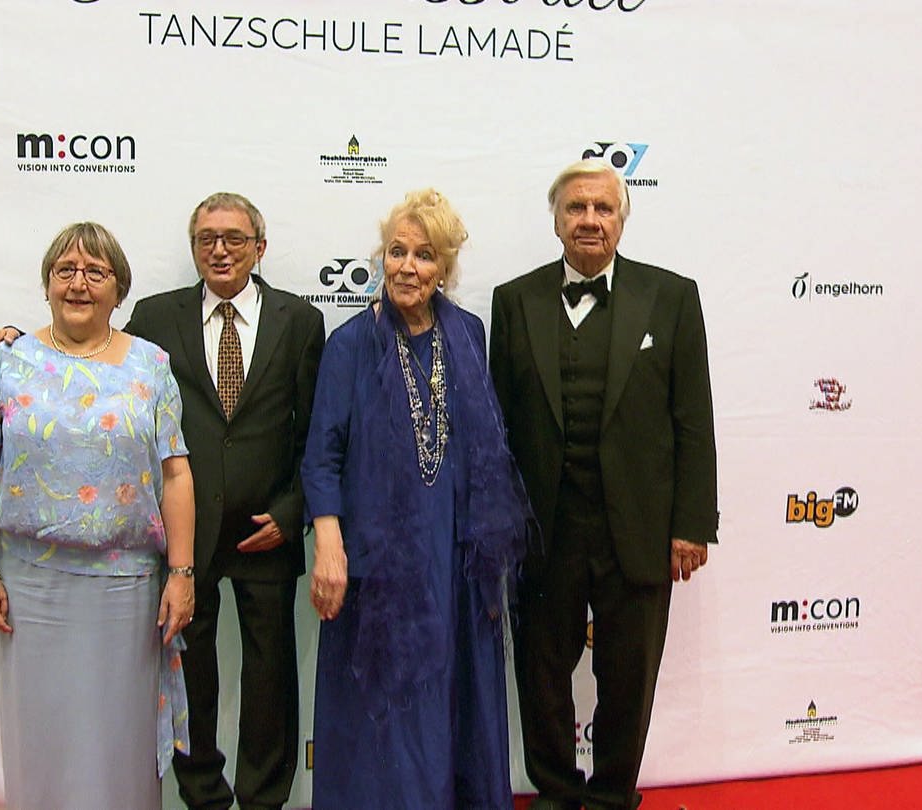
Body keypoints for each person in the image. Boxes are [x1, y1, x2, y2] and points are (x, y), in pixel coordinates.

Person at [0, 193, 325, 810]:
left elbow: (315, 427)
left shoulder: (300, 319)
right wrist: (9, 337)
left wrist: (293, 512)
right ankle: (203, 798)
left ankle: (266, 799)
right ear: (193, 248)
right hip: (183, 534)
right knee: (194, 677)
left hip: (265, 531)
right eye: (207, 238)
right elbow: (86, 356)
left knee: (271, 679)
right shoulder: (157, 319)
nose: (220, 250)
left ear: (259, 248)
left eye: (234, 239)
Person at [489, 159, 718, 810]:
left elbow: (692, 420)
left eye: (603, 208)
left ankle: (614, 794)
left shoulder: (672, 297)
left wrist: (692, 524)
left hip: (640, 530)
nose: (589, 219)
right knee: (541, 674)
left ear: (622, 217)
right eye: (576, 208)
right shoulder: (514, 300)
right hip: (541, 532)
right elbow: (497, 428)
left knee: (627, 677)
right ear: (556, 218)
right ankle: (556, 793)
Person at [303, 189, 531, 809]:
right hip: (378, 565)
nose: (407, 266)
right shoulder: (351, 343)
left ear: (445, 267)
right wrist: (329, 546)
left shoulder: (469, 333)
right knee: (387, 710)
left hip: (456, 561)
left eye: (423, 255)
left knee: (452, 700)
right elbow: (322, 456)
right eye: (397, 252)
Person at [0, 222, 196, 810]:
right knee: (42, 739)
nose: (79, 284)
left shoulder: (151, 365)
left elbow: (176, 474)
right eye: (65, 271)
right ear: (46, 286)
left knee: (120, 740)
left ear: (120, 289)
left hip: (127, 591)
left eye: (96, 272)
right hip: (31, 592)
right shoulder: (8, 364)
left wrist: (182, 574)